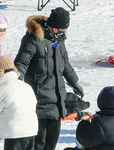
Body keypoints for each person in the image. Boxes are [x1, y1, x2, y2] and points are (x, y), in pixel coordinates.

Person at [15, 8, 80, 150]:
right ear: (51, 25)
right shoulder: (33, 39)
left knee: (51, 142)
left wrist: (74, 82)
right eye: (59, 29)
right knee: (38, 143)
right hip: (39, 99)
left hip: (56, 100)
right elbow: (21, 62)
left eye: (64, 30)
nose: (61, 32)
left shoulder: (59, 40)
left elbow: (65, 64)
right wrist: (16, 81)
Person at [74, 86, 114, 150]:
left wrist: (84, 122)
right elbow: (112, 126)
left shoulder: (101, 124)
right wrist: (95, 118)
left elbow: (83, 140)